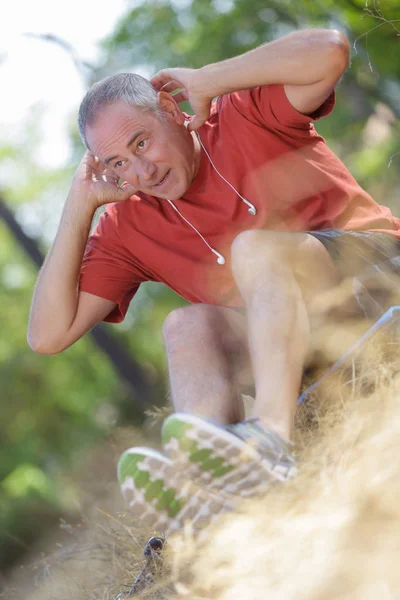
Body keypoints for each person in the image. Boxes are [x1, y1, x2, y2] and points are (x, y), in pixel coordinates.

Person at [28, 28, 400, 533]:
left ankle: (270, 440)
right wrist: (79, 204)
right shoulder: (128, 222)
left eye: (143, 142)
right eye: (119, 163)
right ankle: (217, 499)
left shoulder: (240, 113)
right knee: (185, 327)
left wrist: (208, 79)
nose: (142, 170)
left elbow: (330, 51)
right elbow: (48, 335)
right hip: (317, 358)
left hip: (380, 282)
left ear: (171, 110)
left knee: (253, 248)